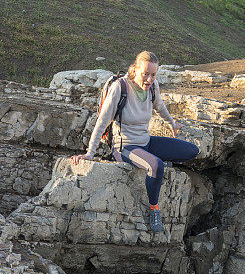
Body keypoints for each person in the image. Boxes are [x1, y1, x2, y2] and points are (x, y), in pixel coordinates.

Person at [71, 50, 199, 232]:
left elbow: (160, 107)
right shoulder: (120, 88)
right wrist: (90, 153)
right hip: (125, 147)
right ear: (135, 70)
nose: (149, 79)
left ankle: (152, 163)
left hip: (146, 142)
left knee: (191, 151)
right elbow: (102, 121)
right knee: (156, 166)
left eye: (153, 75)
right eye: (145, 74)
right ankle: (154, 209)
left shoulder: (153, 87)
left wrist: (171, 123)